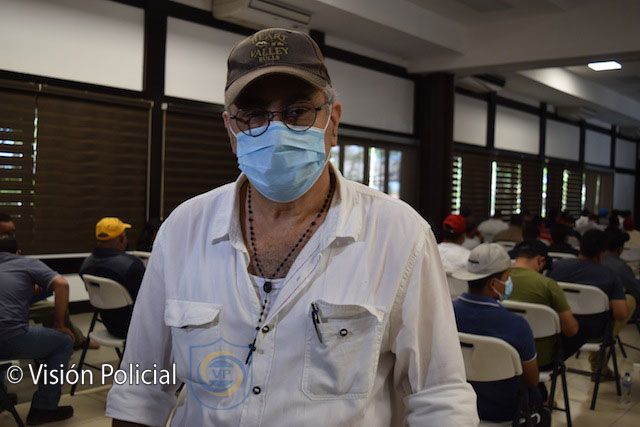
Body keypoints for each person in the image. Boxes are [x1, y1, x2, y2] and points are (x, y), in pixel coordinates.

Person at [106, 28, 477, 426]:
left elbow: (439, 398)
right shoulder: (183, 230)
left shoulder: (399, 235)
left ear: (332, 122)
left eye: (297, 111)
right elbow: (140, 387)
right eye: (254, 115)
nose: (276, 131)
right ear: (231, 130)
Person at [453, 244, 549, 426]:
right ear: (493, 284)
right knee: (543, 414)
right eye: (507, 278)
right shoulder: (516, 326)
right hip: (503, 411)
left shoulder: (446, 313)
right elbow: (531, 380)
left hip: (458, 403)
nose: (509, 282)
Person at [0, 237, 74, 424]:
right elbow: (62, 284)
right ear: (18, 252)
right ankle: (44, 407)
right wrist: (60, 325)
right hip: (9, 337)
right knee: (63, 342)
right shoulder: (26, 263)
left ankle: (1, 398)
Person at [548, 229, 632, 377]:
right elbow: (621, 314)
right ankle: (600, 357)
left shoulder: (557, 267)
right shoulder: (609, 275)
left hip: (559, 327)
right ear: (601, 254)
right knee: (629, 301)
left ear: (580, 247)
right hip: (594, 333)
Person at [509, 240, 579, 368]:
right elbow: (571, 330)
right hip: (540, 359)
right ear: (540, 260)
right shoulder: (548, 285)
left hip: (504, 354)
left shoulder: (496, 281)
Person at [79, 217, 145, 339]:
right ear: (121, 238)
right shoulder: (132, 266)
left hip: (109, 325)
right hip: (135, 329)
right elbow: (145, 302)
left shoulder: (86, 264)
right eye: (125, 235)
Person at [602, 229, 640, 323]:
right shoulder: (619, 267)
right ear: (620, 248)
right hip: (613, 314)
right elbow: (637, 291)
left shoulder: (595, 261)